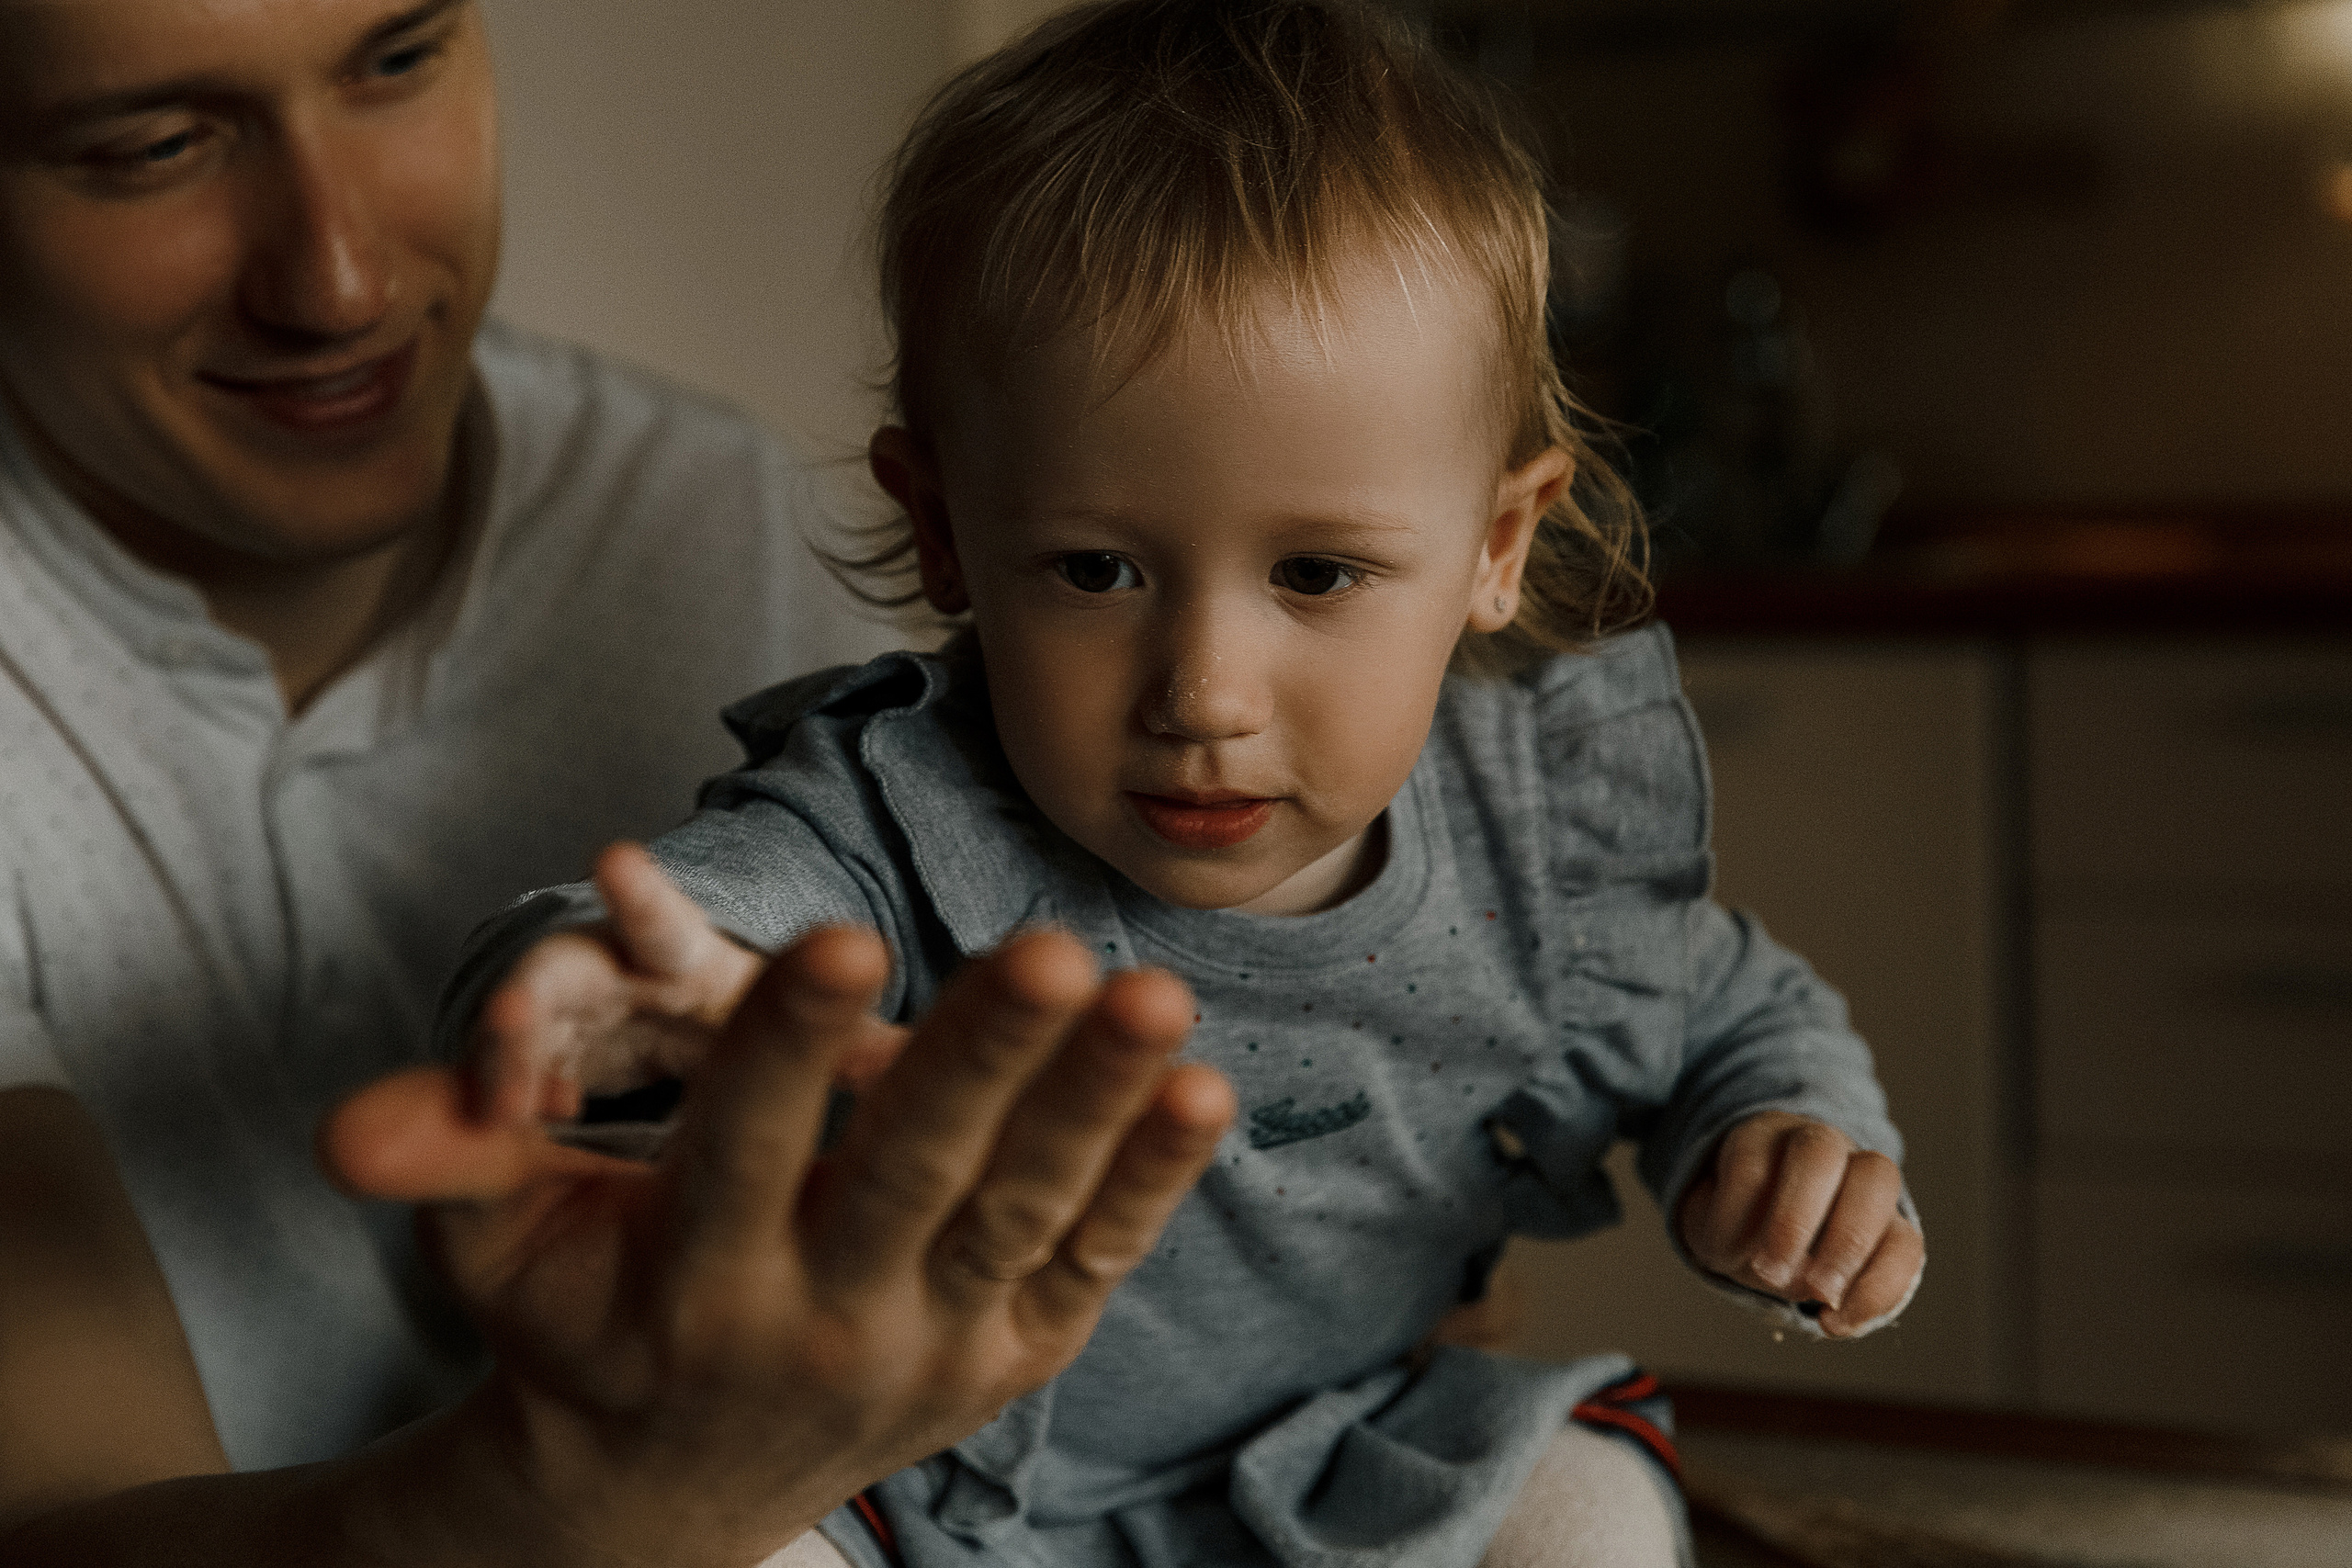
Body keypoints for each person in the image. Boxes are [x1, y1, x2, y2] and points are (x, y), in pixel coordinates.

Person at [450, 4, 1930, 1565]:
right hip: (921, 1492)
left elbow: (1740, 1009)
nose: (1203, 697)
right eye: (1095, 569)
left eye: (1317, 571)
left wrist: (1785, 1139)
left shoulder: (1535, 844)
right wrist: (602, 994)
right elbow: (713, 913)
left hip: (1358, 1458)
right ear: (947, 531)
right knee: (684, 1540)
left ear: (1496, 546)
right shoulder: (902, 810)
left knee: (1592, 1506)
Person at [0, 1, 1230, 1562]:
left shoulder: (724, 534)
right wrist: (598, 1494)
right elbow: (53, 1522)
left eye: (396, 61)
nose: (340, 280)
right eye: (153, 146)